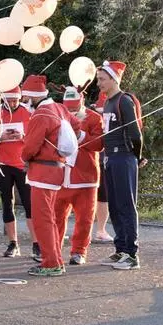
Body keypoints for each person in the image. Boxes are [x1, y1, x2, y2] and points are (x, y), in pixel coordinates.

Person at [20, 76, 80, 277]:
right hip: (57, 169)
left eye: (26, 96)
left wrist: (24, 157)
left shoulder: (41, 114)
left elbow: (30, 147)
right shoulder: (60, 108)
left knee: (42, 219)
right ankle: (54, 260)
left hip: (42, 172)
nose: (24, 99)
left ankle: (51, 263)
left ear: (33, 97)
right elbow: (77, 128)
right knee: (50, 218)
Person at [95, 61, 144, 271]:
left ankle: (132, 254)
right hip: (110, 158)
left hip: (124, 157)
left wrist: (137, 156)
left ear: (114, 79)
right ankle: (121, 248)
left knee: (126, 204)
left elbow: (135, 133)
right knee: (114, 204)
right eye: (98, 79)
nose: (99, 83)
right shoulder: (107, 102)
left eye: (102, 79)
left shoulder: (124, 101)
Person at [0, 85, 37, 260]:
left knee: (29, 203)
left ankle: (36, 243)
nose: (13, 102)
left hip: (22, 163)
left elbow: (36, 137)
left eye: (16, 99)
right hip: (2, 162)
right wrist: (1, 137)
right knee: (7, 202)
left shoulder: (29, 112)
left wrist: (23, 137)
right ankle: (13, 243)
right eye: (9, 99)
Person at [55, 87, 104, 265]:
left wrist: (80, 135)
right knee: (56, 217)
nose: (71, 111)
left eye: (74, 108)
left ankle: (79, 251)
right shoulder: (57, 114)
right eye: (68, 108)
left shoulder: (94, 117)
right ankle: (54, 251)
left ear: (82, 102)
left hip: (86, 178)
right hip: (61, 175)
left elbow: (100, 143)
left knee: (85, 219)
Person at [90, 93, 114, 242]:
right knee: (82, 196)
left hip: (105, 161)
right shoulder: (89, 118)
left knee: (103, 197)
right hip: (90, 162)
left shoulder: (114, 118)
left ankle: (101, 229)